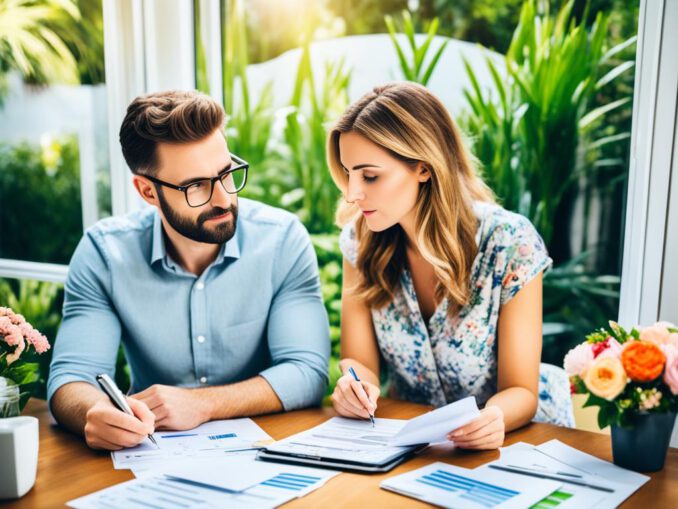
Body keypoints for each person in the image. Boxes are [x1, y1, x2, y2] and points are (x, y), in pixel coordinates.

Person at [48, 90, 330, 450]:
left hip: (272, 450)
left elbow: (307, 372)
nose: (224, 198)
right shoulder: (105, 254)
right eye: (196, 185)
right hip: (150, 460)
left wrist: (203, 404)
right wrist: (94, 412)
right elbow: (71, 379)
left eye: (226, 173)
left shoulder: (282, 241)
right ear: (148, 191)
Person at [328, 82, 573, 450]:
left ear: (424, 168)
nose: (352, 193)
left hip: (522, 444)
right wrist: (353, 385)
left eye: (370, 176)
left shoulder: (508, 242)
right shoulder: (359, 243)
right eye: (348, 173)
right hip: (420, 447)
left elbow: (522, 390)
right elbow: (359, 363)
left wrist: (493, 419)